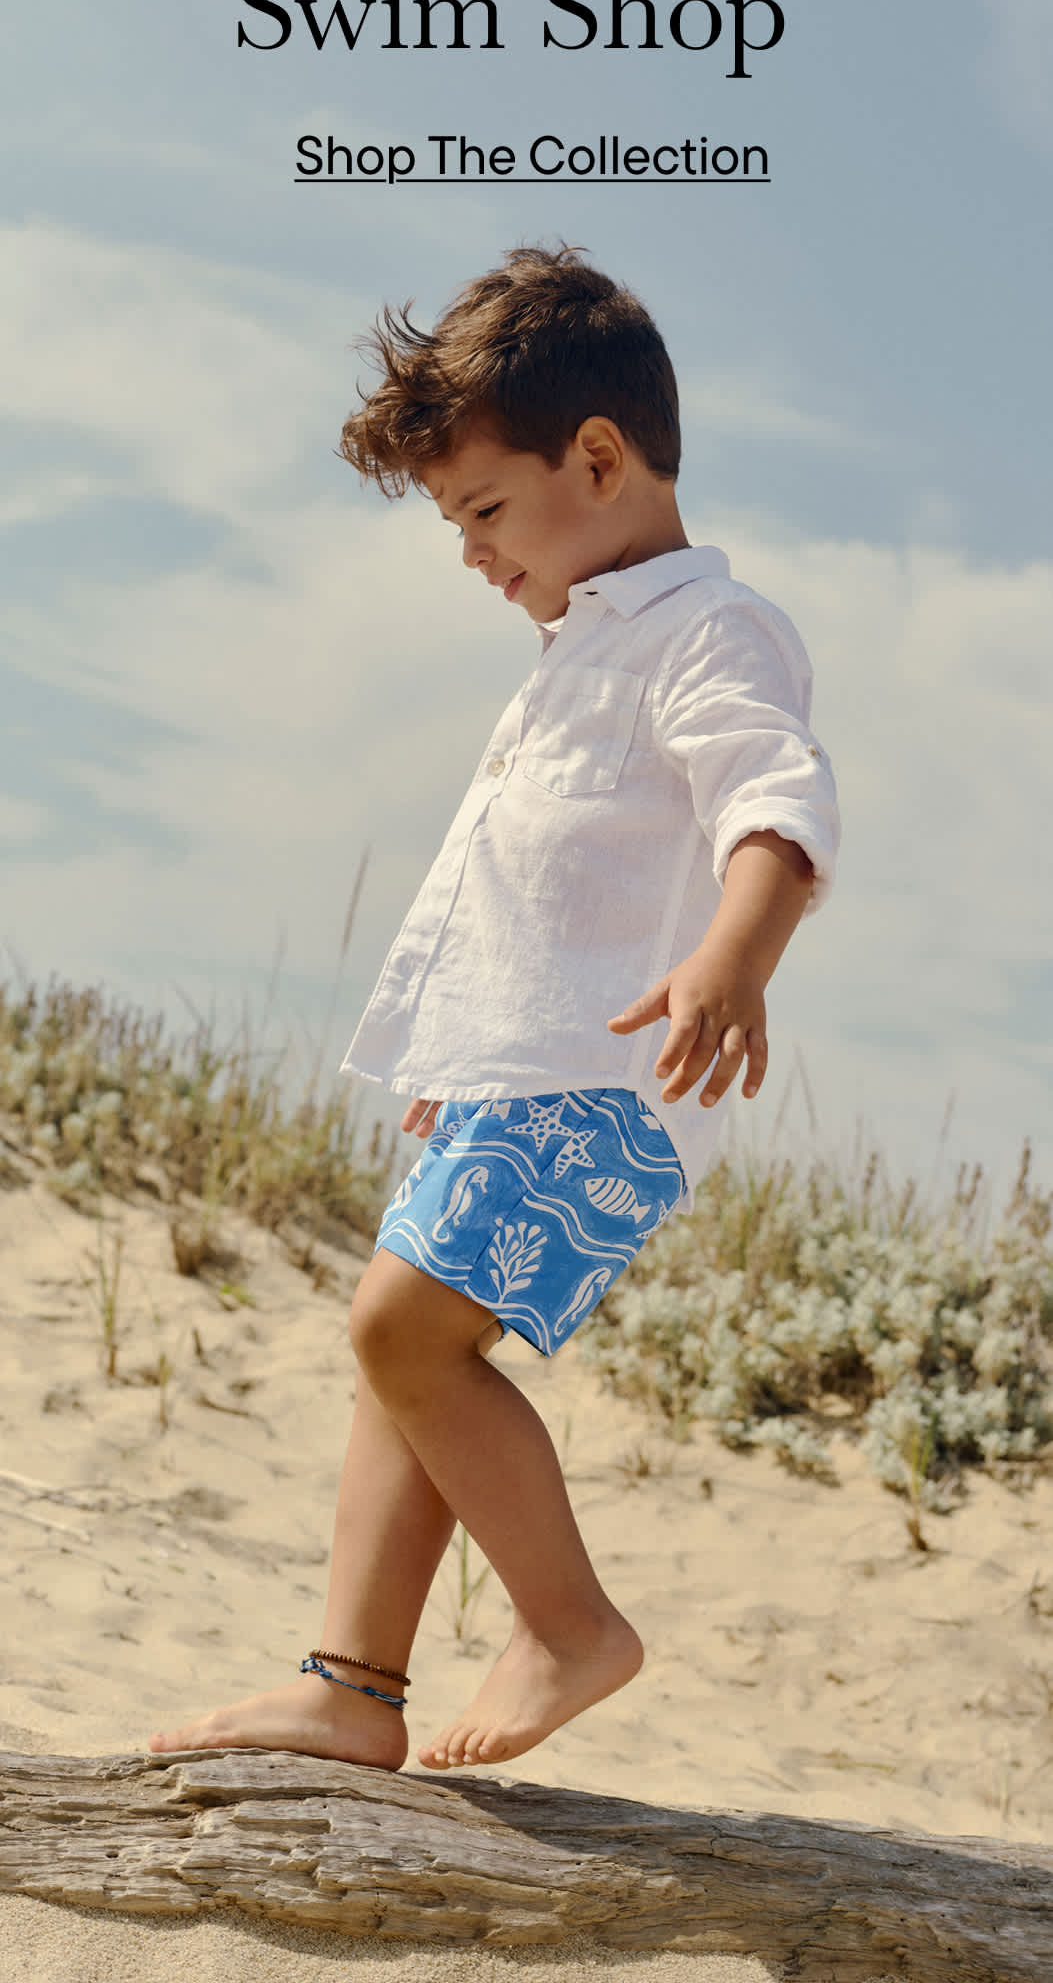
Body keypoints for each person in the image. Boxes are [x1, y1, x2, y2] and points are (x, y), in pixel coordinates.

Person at [149, 243, 839, 1775]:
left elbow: (775, 795)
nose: (468, 554)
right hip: (506, 1078)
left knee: (403, 1331)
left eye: (480, 511)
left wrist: (738, 953)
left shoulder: (704, 634)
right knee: (400, 1363)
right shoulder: (574, 656)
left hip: (607, 1081)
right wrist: (456, 1048)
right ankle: (350, 1686)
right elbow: (528, 891)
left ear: (595, 458)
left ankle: (568, 1623)